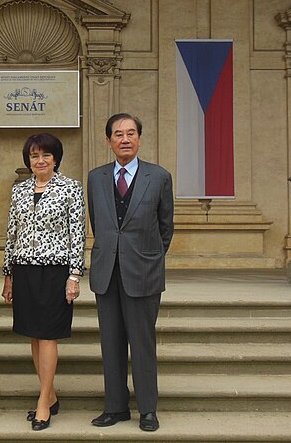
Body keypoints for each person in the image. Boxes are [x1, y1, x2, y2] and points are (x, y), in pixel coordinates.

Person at [87, 113, 174, 432]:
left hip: (144, 272)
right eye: (118, 134)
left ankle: (148, 409)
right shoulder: (96, 177)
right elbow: (98, 222)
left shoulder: (159, 176)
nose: (125, 139)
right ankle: (115, 407)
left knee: (142, 342)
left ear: (139, 137)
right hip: (107, 272)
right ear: (108, 140)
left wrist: (147, 257)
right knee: (110, 343)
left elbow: (166, 227)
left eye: (131, 133)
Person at [2, 133, 86, 431]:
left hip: (55, 271)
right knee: (34, 335)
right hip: (24, 269)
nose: (40, 160)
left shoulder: (71, 188)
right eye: (34, 155)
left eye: (46, 155)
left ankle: (42, 403)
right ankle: (50, 395)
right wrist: (8, 274)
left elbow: (77, 234)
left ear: (56, 158)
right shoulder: (20, 190)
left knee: (48, 334)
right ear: (28, 160)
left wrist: (74, 275)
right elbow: (11, 232)